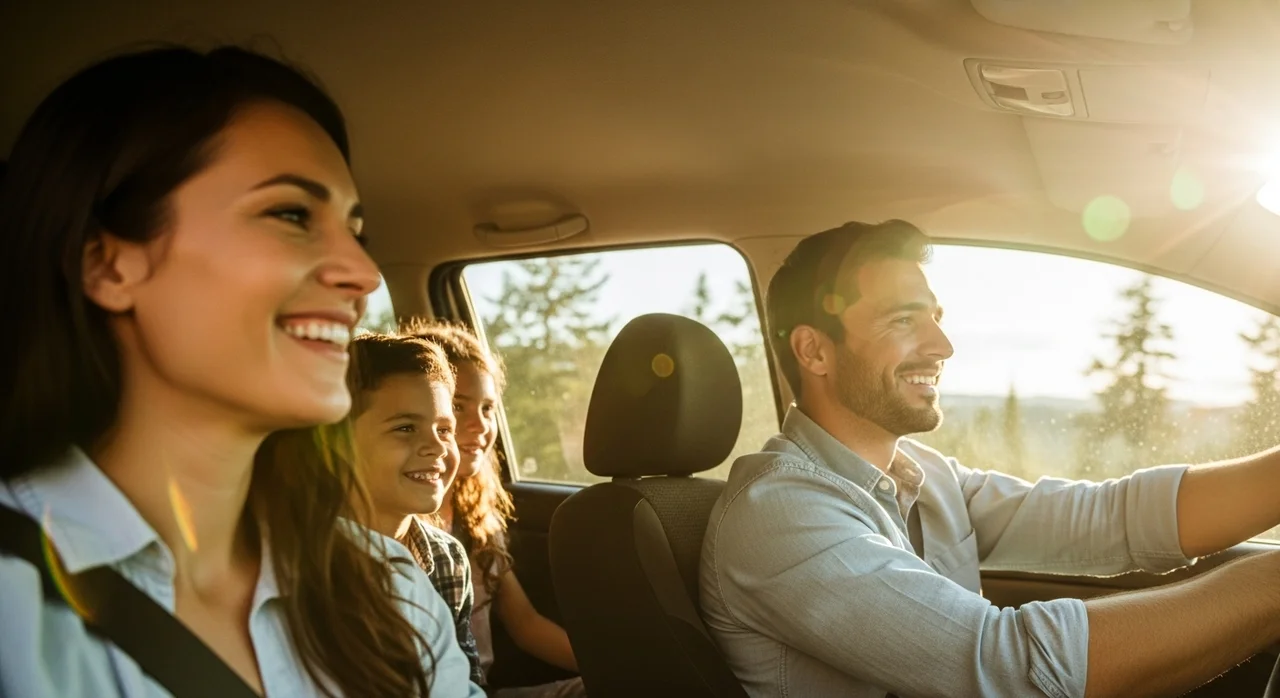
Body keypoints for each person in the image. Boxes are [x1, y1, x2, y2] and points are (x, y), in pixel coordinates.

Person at [0, 45, 481, 697]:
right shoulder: (18, 610)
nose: (362, 275)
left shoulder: (388, 586)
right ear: (108, 266)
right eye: (291, 215)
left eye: (355, 231)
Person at [698, 219, 1280, 698]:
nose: (942, 346)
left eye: (935, 318)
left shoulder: (924, 477)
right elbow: (1005, 666)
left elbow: (1110, 518)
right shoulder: (779, 514)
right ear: (815, 351)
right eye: (903, 320)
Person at [407, 320, 587, 698]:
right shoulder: (401, 519)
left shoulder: (475, 512)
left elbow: (525, 624)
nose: (480, 424)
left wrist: (620, 668)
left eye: (488, 408)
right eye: (459, 406)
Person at [342, 332, 485, 685]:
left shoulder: (448, 559)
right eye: (406, 428)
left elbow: (468, 680)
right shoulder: (309, 561)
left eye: (444, 429)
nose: (436, 447)